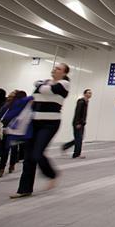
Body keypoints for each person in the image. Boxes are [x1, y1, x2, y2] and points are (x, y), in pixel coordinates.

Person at [11, 63, 70, 198]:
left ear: (64, 73)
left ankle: (52, 174)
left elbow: (45, 90)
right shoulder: (45, 83)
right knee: (28, 157)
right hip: (34, 122)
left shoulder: (64, 84)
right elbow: (37, 94)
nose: (55, 69)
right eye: (55, 67)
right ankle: (24, 189)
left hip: (50, 124)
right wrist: (40, 86)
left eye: (59, 69)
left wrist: (40, 85)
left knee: (37, 153)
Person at [0, 90, 27, 178]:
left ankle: (2, 169)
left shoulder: (8, 105)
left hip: (8, 129)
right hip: (14, 130)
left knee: (6, 150)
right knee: (13, 149)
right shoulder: (23, 107)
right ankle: (10, 166)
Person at [62, 89, 92, 159]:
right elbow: (77, 112)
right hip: (78, 123)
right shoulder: (81, 101)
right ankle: (76, 154)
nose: (90, 94)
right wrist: (77, 123)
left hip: (81, 123)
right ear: (84, 94)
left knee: (79, 138)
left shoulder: (86, 101)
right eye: (88, 93)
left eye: (90, 93)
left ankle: (66, 146)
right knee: (79, 139)